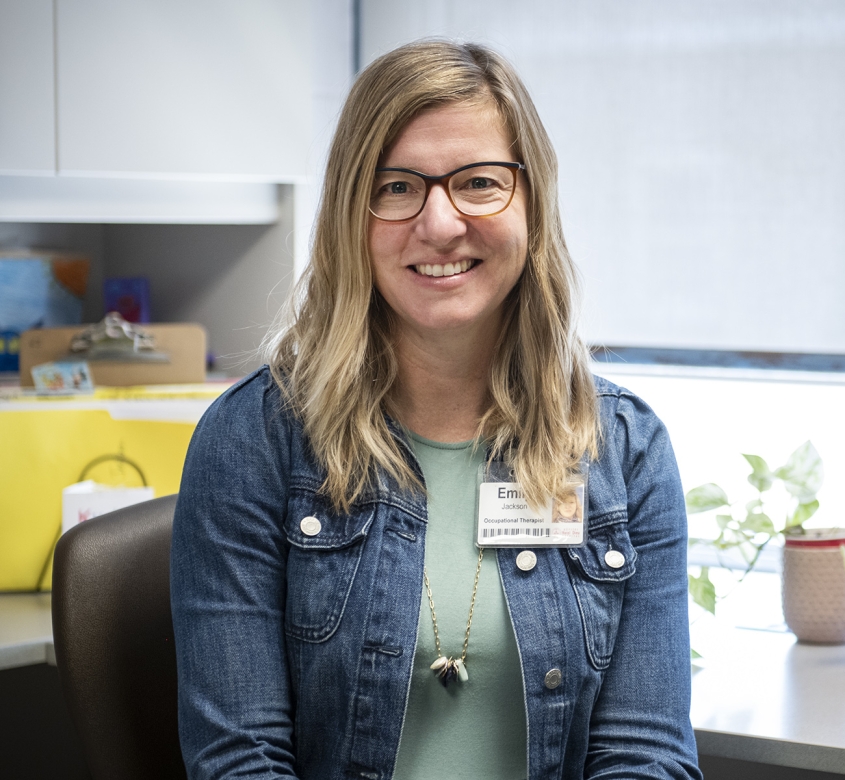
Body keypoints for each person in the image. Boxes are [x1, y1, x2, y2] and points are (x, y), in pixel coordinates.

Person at [171, 39, 701, 780]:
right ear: (351, 216)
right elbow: (240, 762)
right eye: (396, 187)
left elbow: (646, 756)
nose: (441, 223)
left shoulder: (622, 450)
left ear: (531, 202)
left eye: (479, 182)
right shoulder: (254, 444)